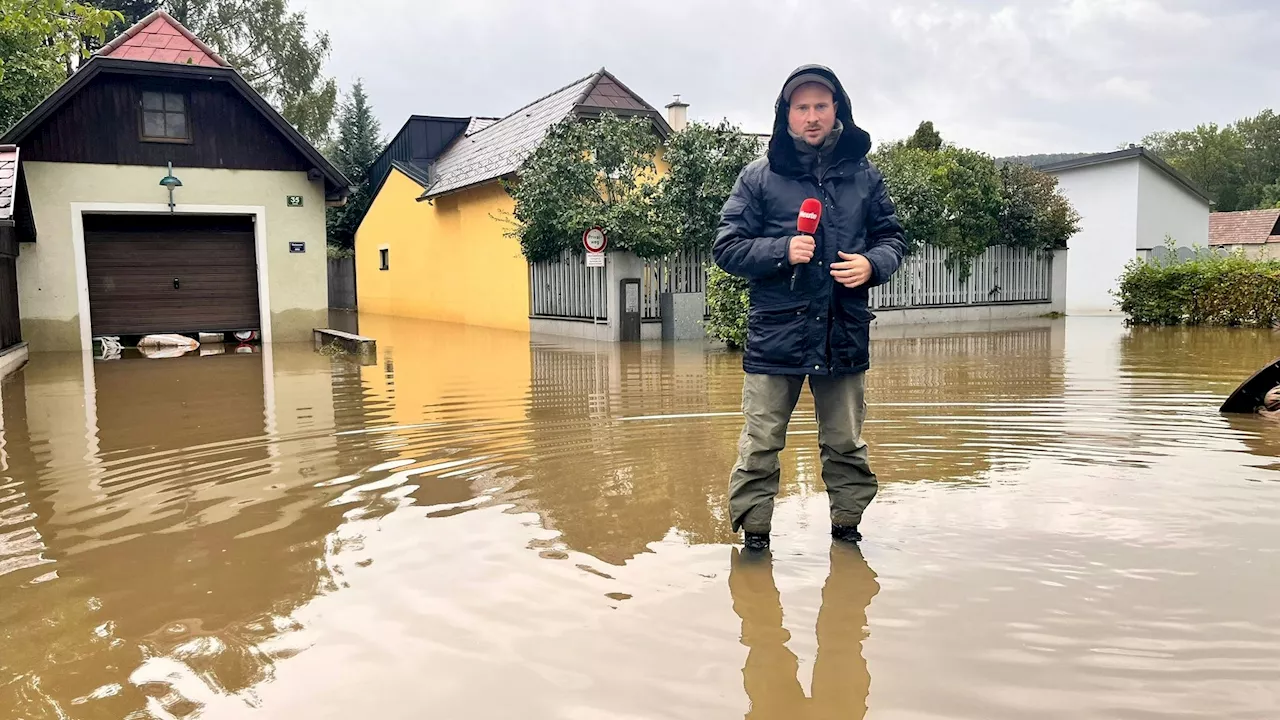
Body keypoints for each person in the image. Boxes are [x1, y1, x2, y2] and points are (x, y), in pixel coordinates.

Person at [713, 64, 907, 550]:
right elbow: (727, 247)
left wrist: (872, 264)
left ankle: (847, 533)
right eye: (802, 108)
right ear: (786, 114)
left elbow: (893, 239)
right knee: (759, 447)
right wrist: (782, 250)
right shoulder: (758, 178)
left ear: (836, 109)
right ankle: (754, 543)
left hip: (842, 332)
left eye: (821, 105)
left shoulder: (865, 176)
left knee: (845, 444)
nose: (812, 116)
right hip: (776, 336)